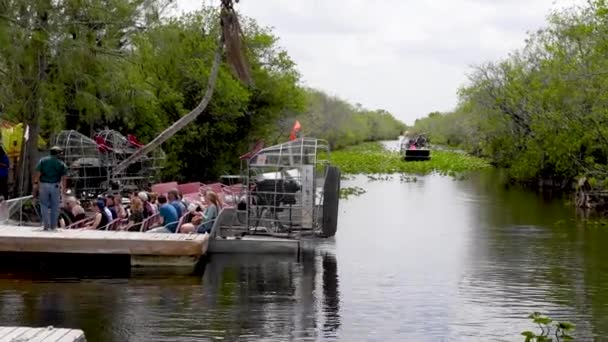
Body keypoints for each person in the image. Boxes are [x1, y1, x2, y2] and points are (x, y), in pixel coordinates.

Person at [33, 146, 68, 231]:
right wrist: (64, 189)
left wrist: (35, 184)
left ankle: (46, 225)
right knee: (55, 206)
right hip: (55, 186)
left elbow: (38, 173)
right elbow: (64, 178)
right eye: (60, 153)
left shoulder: (43, 161)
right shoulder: (61, 164)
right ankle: (53, 226)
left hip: (44, 185)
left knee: (44, 205)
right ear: (57, 153)